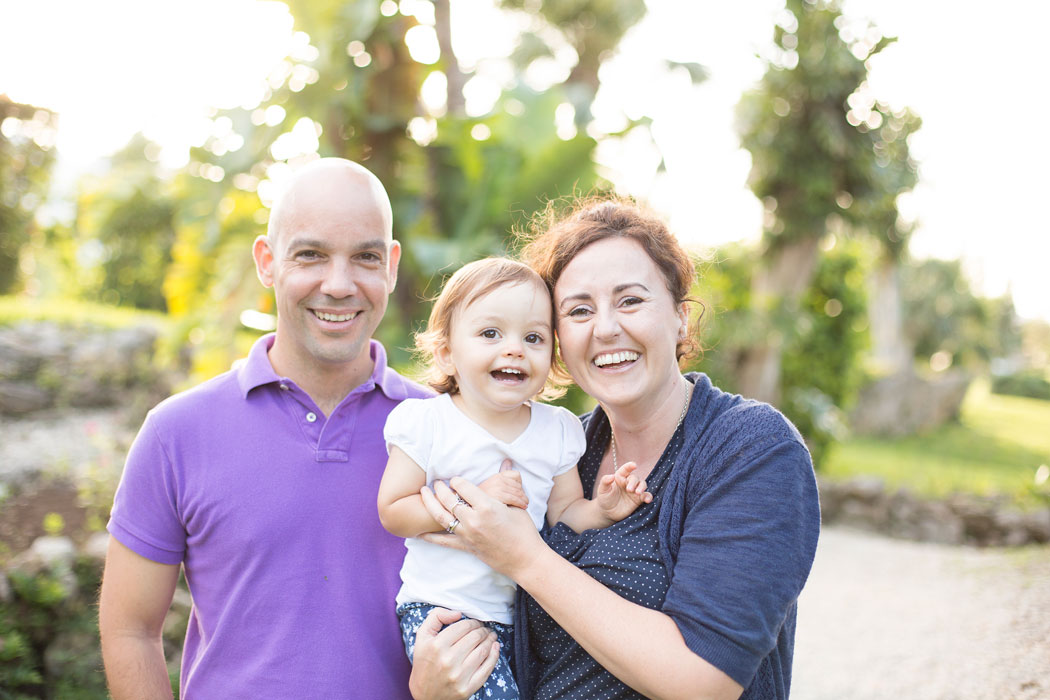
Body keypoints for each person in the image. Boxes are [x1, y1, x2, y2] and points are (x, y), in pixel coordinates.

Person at [98, 158, 497, 698]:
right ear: (267, 261)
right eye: (310, 255)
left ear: (392, 266)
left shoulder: (452, 430)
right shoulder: (176, 434)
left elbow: (492, 616)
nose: (338, 285)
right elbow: (131, 631)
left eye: (365, 257)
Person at [411, 196, 821, 700]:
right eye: (579, 310)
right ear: (558, 337)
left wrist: (527, 558)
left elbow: (704, 681)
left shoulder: (750, 449)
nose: (605, 328)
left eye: (630, 301)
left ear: (680, 318)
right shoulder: (560, 452)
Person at [378, 257, 652, 699]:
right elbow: (392, 510)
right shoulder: (427, 423)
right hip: (445, 612)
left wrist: (602, 510)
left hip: (522, 618)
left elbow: (563, 513)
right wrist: (471, 508)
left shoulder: (557, 431)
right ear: (447, 350)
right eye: (490, 334)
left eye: (533, 337)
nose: (514, 349)